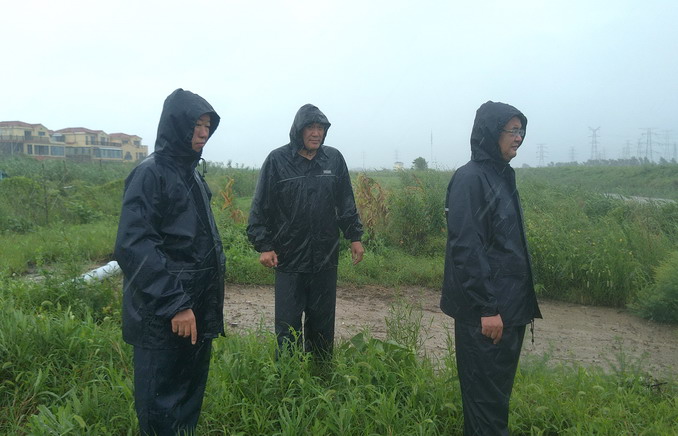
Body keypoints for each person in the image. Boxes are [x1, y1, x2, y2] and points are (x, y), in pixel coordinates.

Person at [114, 88, 226, 435]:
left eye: (207, 126)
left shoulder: (192, 174)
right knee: (160, 404)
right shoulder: (151, 174)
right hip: (163, 314)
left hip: (194, 309)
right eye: (196, 125)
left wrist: (194, 305)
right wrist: (175, 303)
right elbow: (134, 245)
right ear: (177, 125)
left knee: (188, 398)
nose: (203, 133)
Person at [440, 101, 542, 435]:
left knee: (495, 400)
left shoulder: (501, 175)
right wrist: (487, 308)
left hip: (507, 310)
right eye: (512, 130)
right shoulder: (471, 179)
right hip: (487, 317)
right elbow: (467, 248)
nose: (519, 137)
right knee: (485, 404)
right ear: (490, 133)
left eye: (521, 130)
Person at [247, 103, 364, 361]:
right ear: (298, 130)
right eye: (310, 127)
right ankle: (287, 375)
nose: (316, 133)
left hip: (325, 257)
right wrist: (264, 245)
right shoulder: (277, 161)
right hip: (289, 258)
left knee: (322, 322)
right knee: (288, 324)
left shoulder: (333, 159)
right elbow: (261, 206)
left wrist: (354, 236)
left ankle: (321, 370)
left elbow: (345, 201)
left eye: (320, 128)